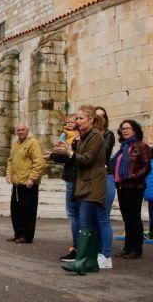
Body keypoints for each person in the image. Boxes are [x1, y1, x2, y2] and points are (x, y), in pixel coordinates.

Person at [52, 105, 107, 275]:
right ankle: (90, 262)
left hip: (92, 185)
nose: (77, 121)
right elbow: (73, 158)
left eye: (81, 118)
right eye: (76, 118)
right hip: (84, 184)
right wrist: (54, 155)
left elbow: (87, 160)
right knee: (87, 224)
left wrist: (69, 151)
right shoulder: (83, 136)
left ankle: (81, 261)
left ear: (91, 119)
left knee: (85, 224)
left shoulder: (95, 137)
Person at [109, 120, 150, 259]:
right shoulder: (123, 148)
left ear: (135, 130)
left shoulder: (141, 146)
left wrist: (132, 176)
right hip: (122, 186)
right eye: (122, 129)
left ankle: (136, 249)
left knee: (134, 217)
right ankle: (127, 247)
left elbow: (146, 167)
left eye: (128, 128)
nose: (125, 131)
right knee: (127, 218)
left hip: (135, 186)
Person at [5, 122, 45, 243]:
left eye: (22, 130)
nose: (20, 132)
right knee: (16, 210)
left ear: (27, 131)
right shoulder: (16, 143)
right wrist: (8, 173)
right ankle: (18, 233)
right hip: (17, 183)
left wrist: (32, 178)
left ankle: (27, 236)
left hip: (28, 183)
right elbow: (10, 160)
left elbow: (39, 162)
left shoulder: (33, 143)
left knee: (28, 211)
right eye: (18, 130)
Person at [49, 114, 79, 261]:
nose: (73, 123)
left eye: (77, 120)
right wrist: (54, 155)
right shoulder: (67, 133)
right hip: (71, 176)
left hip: (76, 178)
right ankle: (78, 246)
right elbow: (62, 150)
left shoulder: (81, 137)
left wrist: (62, 152)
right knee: (74, 214)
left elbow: (73, 157)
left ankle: (78, 247)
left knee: (74, 214)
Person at [92, 106, 115, 269]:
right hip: (93, 179)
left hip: (105, 177)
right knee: (94, 219)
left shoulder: (107, 135)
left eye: (102, 116)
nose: (100, 119)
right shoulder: (89, 136)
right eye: (96, 116)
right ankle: (98, 252)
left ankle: (106, 255)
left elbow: (102, 152)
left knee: (103, 218)